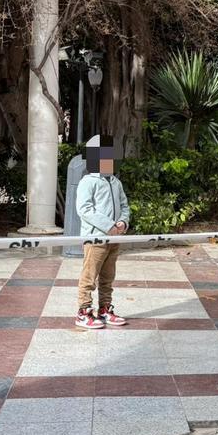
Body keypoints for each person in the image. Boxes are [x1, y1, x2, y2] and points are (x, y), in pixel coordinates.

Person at [75, 134, 131, 329]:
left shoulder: (115, 182)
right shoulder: (88, 182)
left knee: (108, 277)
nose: (108, 160)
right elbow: (84, 209)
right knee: (89, 277)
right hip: (95, 238)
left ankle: (105, 309)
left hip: (114, 239)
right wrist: (109, 226)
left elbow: (124, 205)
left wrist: (123, 222)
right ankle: (83, 312)